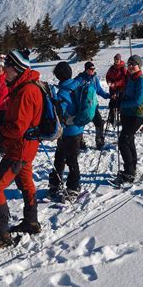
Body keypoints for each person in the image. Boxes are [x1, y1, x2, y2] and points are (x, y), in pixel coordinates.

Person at [0, 49, 43, 255]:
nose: (3, 70)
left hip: (20, 149)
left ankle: (2, 235)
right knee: (25, 182)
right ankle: (31, 222)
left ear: (16, 68)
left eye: (7, 66)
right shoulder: (22, 86)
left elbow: (17, 128)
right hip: (25, 147)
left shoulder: (26, 91)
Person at [48, 61, 84, 201]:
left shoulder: (63, 92)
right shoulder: (77, 85)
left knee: (68, 159)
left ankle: (73, 187)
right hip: (78, 129)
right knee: (63, 157)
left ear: (58, 76)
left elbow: (59, 114)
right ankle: (57, 183)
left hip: (68, 131)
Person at [111, 55, 143, 186]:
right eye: (129, 64)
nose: (131, 66)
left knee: (123, 142)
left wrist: (121, 104)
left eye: (133, 64)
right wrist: (117, 99)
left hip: (136, 116)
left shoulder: (142, 81)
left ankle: (129, 172)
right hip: (126, 115)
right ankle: (132, 168)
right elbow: (126, 94)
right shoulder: (130, 79)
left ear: (139, 65)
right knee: (129, 140)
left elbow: (138, 101)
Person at [75, 61, 110, 150]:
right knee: (81, 124)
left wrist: (107, 96)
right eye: (91, 69)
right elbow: (73, 91)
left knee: (99, 123)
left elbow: (99, 90)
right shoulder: (80, 79)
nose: (92, 71)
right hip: (82, 107)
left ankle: (99, 141)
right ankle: (80, 142)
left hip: (93, 106)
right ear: (86, 70)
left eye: (93, 69)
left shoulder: (94, 79)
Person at [105, 53, 128, 126]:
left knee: (119, 104)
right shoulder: (112, 68)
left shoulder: (123, 68)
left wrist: (115, 84)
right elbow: (107, 76)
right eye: (115, 59)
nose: (116, 60)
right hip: (112, 88)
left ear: (120, 60)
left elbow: (124, 80)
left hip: (120, 89)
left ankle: (121, 119)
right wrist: (108, 81)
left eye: (118, 59)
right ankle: (111, 118)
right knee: (112, 103)